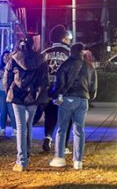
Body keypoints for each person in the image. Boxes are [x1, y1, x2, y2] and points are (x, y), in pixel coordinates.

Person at [3, 36, 49, 172]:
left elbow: (6, 79)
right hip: (33, 97)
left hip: (17, 96)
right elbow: (44, 80)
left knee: (21, 127)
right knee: (28, 126)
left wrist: (9, 92)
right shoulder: (40, 59)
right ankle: (26, 156)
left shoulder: (14, 58)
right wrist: (37, 94)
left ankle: (21, 161)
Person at [49, 42, 98, 170]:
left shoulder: (66, 64)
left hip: (68, 99)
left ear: (71, 52)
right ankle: (78, 161)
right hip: (83, 99)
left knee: (61, 128)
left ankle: (59, 158)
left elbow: (59, 83)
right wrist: (88, 97)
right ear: (82, 52)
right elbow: (94, 88)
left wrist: (55, 95)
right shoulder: (90, 67)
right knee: (79, 130)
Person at [39, 24, 72, 152]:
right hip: (63, 91)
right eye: (67, 37)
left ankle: (47, 138)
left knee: (49, 116)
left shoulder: (44, 53)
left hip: (47, 90)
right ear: (63, 39)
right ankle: (63, 145)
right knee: (65, 117)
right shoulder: (69, 54)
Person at [0, 49, 15, 136]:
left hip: (10, 91)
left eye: (8, 56)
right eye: (4, 56)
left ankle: (15, 129)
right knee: (3, 111)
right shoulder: (0, 68)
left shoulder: (13, 68)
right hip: (2, 92)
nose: (6, 58)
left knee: (12, 111)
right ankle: (2, 128)